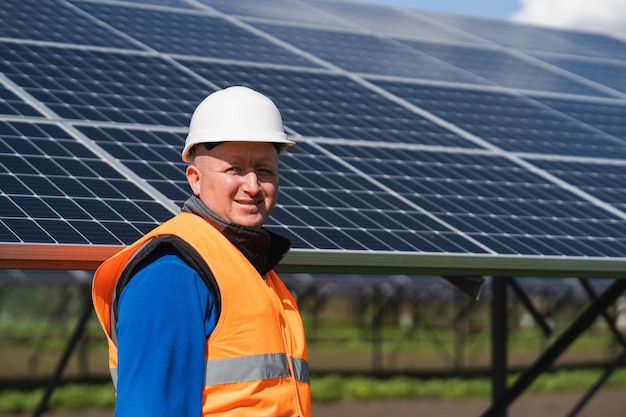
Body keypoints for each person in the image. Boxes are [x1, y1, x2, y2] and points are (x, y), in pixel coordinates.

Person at [92, 86, 311, 417]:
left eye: (264, 170)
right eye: (234, 169)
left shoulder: (250, 266)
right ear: (194, 179)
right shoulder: (171, 272)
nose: (252, 186)